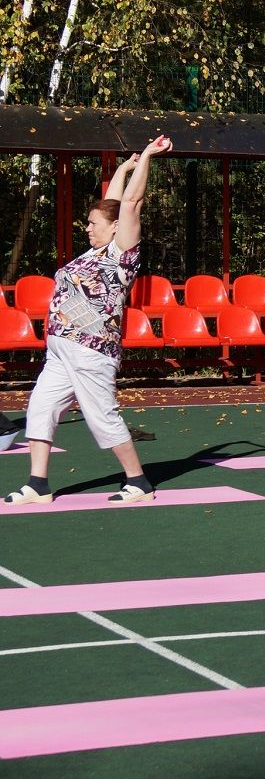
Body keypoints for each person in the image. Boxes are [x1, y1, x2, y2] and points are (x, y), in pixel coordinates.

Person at [5, 136, 169, 505]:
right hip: (61, 352)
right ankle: (38, 484)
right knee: (40, 408)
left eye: (94, 223)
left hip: (91, 351)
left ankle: (139, 482)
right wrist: (123, 168)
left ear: (115, 228)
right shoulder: (94, 252)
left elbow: (130, 203)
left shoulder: (121, 254)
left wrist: (145, 158)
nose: (88, 228)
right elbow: (114, 200)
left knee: (102, 417)